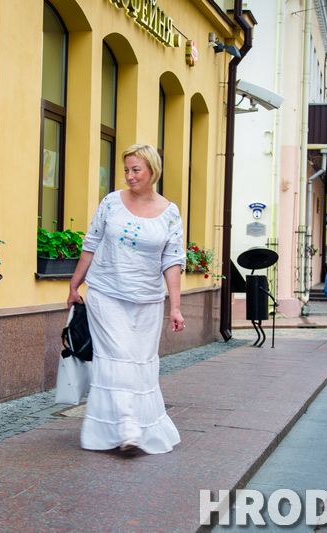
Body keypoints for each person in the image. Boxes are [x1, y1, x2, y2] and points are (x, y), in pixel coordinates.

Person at [67, 144, 185, 455]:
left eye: (136, 170)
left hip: (147, 300)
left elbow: (172, 262)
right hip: (106, 293)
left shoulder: (170, 213)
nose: (129, 176)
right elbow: (90, 244)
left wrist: (175, 307)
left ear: (152, 172)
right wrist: (74, 284)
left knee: (139, 363)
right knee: (116, 358)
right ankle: (127, 425)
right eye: (126, 170)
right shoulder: (111, 203)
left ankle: (133, 424)